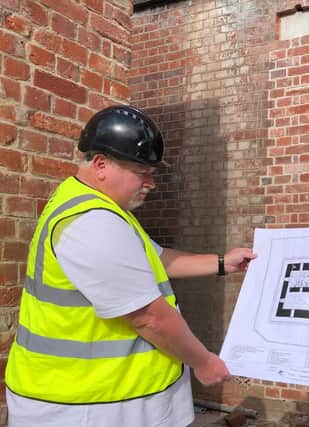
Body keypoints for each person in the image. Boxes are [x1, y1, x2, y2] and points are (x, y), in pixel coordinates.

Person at [5, 105, 256, 427]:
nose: (151, 183)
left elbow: (157, 259)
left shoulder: (99, 208)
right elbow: (149, 317)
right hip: (87, 404)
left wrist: (224, 263)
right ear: (100, 165)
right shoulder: (93, 222)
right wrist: (203, 361)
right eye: (143, 172)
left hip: (103, 398)